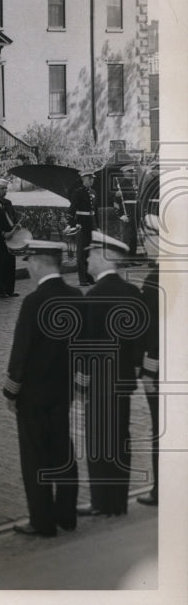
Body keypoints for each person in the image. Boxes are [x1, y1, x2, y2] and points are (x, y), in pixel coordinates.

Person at [2, 239, 81, 537]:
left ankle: (42, 521)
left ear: (38, 262)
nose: (29, 269)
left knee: (35, 455)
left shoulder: (33, 301)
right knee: (63, 449)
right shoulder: (76, 296)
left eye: (29, 263)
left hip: (34, 393)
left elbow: (20, 351)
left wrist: (11, 390)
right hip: (64, 389)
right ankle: (67, 514)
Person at [76, 232, 143, 517]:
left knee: (99, 442)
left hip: (100, 383)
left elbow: (86, 345)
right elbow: (140, 339)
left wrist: (80, 384)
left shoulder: (94, 295)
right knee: (120, 438)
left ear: (105, 258)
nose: (87, 259)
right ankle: (118, 500)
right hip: (123, 380)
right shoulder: (132, 292)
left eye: (91, 254)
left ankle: (102, 501)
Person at [137, 215, 160, 507]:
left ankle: (161, 490)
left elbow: (152, 330)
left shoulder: (156, 279)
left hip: (162, 367)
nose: (143, 244)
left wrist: (149, 369)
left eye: (146, 238)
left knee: (161, 428)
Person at [68, 169, 98, 286]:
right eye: (89, 178)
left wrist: (98, 226)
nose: (91, 180)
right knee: (81, 253)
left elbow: (95, 211)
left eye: (92, 179)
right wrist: (73, 224)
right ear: (83, 179)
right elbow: (71, 210)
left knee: (90, 252)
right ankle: (82, 279)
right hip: (82, 225)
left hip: (91, 225)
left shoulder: (94, 192)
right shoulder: (78, 193)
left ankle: (89, 277)